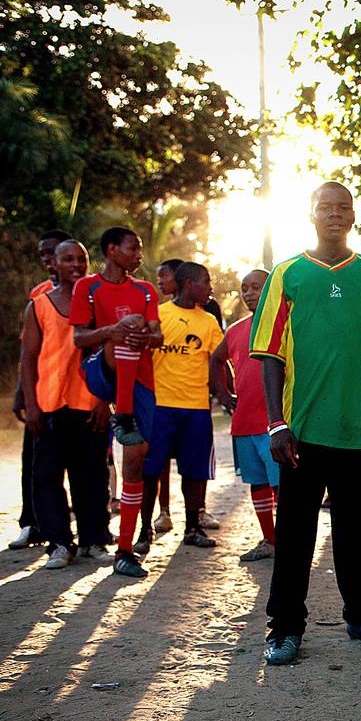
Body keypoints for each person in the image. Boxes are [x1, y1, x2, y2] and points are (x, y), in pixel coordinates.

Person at [254, 181, 361, 666]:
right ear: (310, 215)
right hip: (301, 431)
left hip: (356, 428)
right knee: (295, 535)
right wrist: (275, 424)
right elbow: (267, 353)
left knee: (356, 529)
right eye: (325, 207)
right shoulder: (288, 275)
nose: (334, 214)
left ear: (353, 216)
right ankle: (284, 627)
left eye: (342, 207)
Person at [71, 226, 163, 577]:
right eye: (133, 248)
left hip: (141, 380)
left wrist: (146, 335)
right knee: (123, 329)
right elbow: (80, 337)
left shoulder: (145, 289)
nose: (139, 255)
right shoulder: (88, 287)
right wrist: (114, 330)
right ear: (112, 250)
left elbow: (157, 335)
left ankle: (125, 551)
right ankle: (121, 415)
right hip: (101, 371)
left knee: (136, 460)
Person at [19, 239, 113, 568]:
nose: (75, 264)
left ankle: (94, 540)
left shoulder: (97, 304)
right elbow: (28, 359)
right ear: (54, 266)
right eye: (68, 259)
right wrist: (31, 404)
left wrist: (104, 401)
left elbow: (108, 356)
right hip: (49, 405)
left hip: (89, 404)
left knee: (92, 476)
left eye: (81, 259)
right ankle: (59, 542)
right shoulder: (39, 306)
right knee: (46, 476)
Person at [134, 262, 224, 556]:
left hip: (197, 408)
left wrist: (226, 396)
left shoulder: (209, 322)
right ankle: (144, 529)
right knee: (152, 470)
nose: (210, 287)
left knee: (194, 472)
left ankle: (192, 529)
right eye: (206, 282)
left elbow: (217, 364)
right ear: (189, 285)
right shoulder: (159, 314)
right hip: (162, 407)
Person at [9, 228, 73, 550]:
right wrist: (22, 392)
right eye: (42, 255)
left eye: (52, 253)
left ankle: (88, 528)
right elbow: (28, 352)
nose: (47, 259)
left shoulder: (87, 291)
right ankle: (32, 523)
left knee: (86, 466)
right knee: (34, 462)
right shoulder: (39, 295)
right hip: (43, 393)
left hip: (77, 397)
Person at [211, 268, 279, 562]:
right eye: (245, 287)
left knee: (283, 486)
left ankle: (290, 544)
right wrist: (224, 395)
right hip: (244, 423)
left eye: (257, 287)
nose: (249, 292)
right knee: (258, 483)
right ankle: (270, 540)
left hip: (277, 423)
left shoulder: (286, 323)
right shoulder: (236, 329)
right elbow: (215, 359)